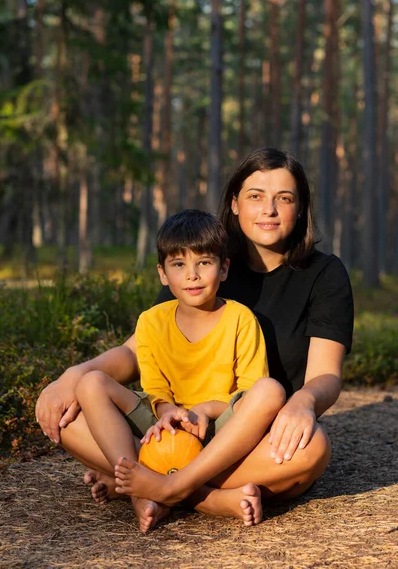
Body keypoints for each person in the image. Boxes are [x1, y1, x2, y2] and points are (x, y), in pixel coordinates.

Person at [35, 147, 353, 528]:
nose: (268, 210)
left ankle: (155, 488)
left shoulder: (324, 274)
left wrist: (302, 403)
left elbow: (326, 375)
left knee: (312, 450)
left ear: (299, 209)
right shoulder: (203, 257)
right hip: (171, 424)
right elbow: (136, 351)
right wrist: (73, 375)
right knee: (68, 417)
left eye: (283, 199)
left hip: (246, 433)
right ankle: (207, 497)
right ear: (234, 203)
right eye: (255, 196)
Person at [60, 209, 279, 531]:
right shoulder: (151, 321)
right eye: (179, 265)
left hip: (217, 432)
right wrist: (168, 411)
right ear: (163, 274)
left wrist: (203, 410)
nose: (192, 275)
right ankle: (138, 483)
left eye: (204, 263)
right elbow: (155, 390)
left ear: (223, 269)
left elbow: (248, 392)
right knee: (91, 382)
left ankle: (157, 491)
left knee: (270, 390)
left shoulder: (241, 319)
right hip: (164, 426)